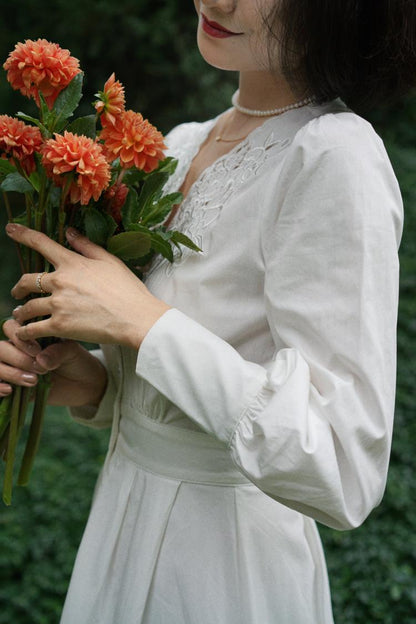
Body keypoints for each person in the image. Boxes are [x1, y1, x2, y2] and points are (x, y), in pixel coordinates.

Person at [1, 0, 415, 622]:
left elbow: (342, 465)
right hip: (122, 525)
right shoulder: (185, 144)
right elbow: (173, 401)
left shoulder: (334, 156)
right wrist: (89, 381)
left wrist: (143, 322)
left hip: (223, 567)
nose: (218, 1)